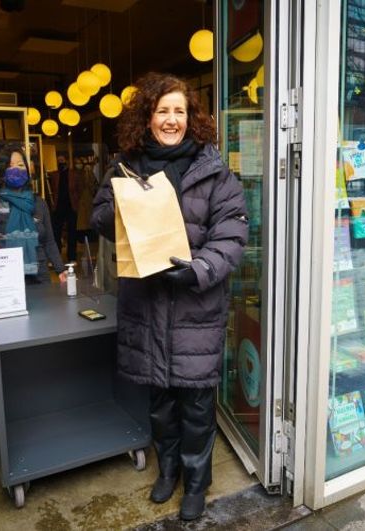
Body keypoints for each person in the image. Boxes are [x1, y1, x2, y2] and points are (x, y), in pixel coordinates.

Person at [91, 72, 248, 521]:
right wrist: (126, 208)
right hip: (147, 307)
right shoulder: (127, 165)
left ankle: (197, 483)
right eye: (163, 111)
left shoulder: (216, 173)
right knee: (159, 404)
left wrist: (197, 270)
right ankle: (168, 472)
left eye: (179, 111)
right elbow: (100, 215)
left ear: (192, 118)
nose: (171, 119)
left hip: (195, 309)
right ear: (148, 116)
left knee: (196, 405)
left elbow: (231, 239)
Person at [0, 146, 68, 284]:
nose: (16, 169)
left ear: (27, 169)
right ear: (2, 172)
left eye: (21, 165)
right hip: (7, 278)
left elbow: (49, 241)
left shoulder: (39, 204)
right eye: (10, 166)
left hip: (41, 277)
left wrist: (61, 269)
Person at [49, 153, 80, 262]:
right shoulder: (54, 174)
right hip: (58, 207)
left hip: (71, 206)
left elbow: (78, 189)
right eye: (59, 160)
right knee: (56, 233)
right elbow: (52, 189)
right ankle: (56, 258)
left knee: (72, 233)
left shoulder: (73, 174)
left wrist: (76, 203)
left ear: (66, 161)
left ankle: (72, 257)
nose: (60, 162)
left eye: (62, 160)